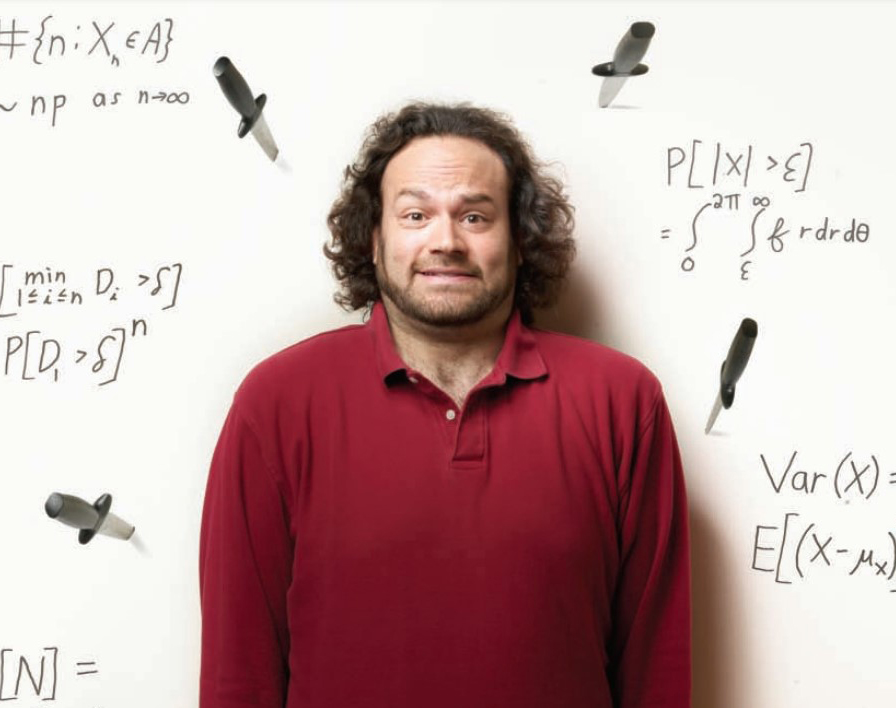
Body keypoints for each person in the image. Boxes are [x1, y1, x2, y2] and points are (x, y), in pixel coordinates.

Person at [199, 101, 691, 708]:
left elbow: (657, 671)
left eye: (476, 217)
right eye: (415, 214)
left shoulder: (623, 403)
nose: (446, 241)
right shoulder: (275, 403)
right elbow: (237, 672)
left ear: (519, 241)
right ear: (374, 239)